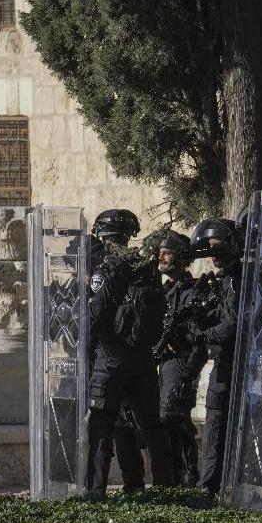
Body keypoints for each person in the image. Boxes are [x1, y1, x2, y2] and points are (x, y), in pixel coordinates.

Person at [86, 209, 175, 497]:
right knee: (151, 426)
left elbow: (96, 316)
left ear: (104, 236)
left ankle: (96, 491)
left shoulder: (106, 268)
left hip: (111, 357)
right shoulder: (145, 266)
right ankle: (165, 488)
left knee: (102, 424)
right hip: (143, 357)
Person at [153, 230, 212, 487]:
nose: (161, 257)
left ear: (181, 257)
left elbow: (198, 340)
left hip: (182, 359)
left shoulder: (193, 291)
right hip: (164, 362)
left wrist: (188, 376)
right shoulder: (165, 289)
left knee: (174, 417)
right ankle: (174, 477)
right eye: (161, 252)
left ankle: (187, 476)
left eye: (167, 252)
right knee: (167, 420)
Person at [189, 218, 243, 495]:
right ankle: (210, 486)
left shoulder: (240, 278)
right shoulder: (224, 281)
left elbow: (232, 324)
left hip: (241, 363)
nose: (213, 253)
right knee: (214, 422)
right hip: (224, 363)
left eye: (216, 246)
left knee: (228, 423)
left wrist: (202, 335)